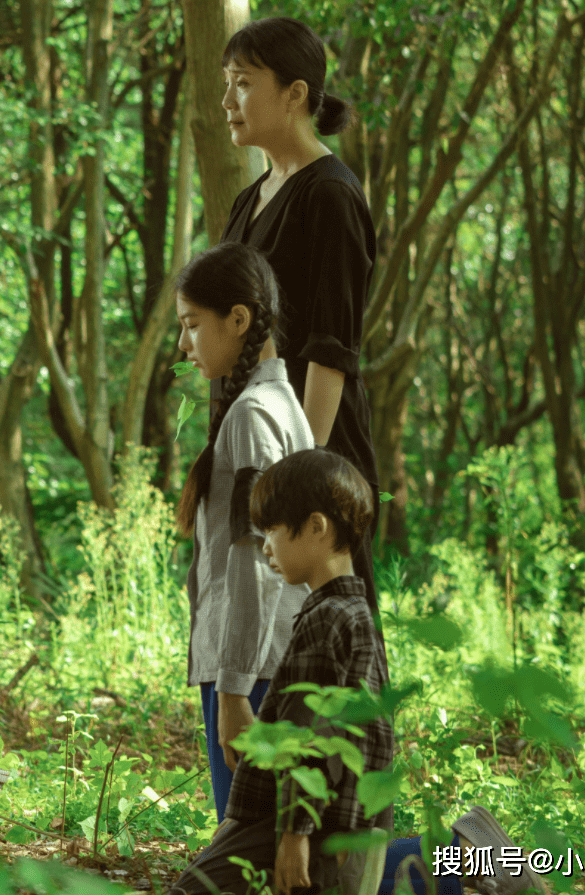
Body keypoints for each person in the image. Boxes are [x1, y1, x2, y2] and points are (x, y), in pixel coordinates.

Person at [171, 450, 545, 895]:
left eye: (272, 530)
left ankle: (461, 858)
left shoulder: (327, 621)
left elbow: (311, 737)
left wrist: (295, 834)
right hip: (333, 816)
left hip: (312, 818)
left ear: (316, 527)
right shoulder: (348, 613)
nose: (265, 545)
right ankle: (462, 851)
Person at [215, 17, 385, 625]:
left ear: (296, 93)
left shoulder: (331, 196)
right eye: (226, 82)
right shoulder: (250, 198)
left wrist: (302, 471)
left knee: (332, 637)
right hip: (251, 441)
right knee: (255, 639)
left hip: (315, 450)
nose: (229, 99)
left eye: (243, 82)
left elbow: (331, 350)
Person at [174, 242, 315, 823]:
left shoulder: (255, 416)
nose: (184, 345)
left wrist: (233, 690)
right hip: (258, 662)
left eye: (192, 325)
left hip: (255, 670)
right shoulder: (271, 405)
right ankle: (472, 862)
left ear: (237, 319)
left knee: (258, 855)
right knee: (287, 856)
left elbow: (258, 558)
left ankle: (466, 863)